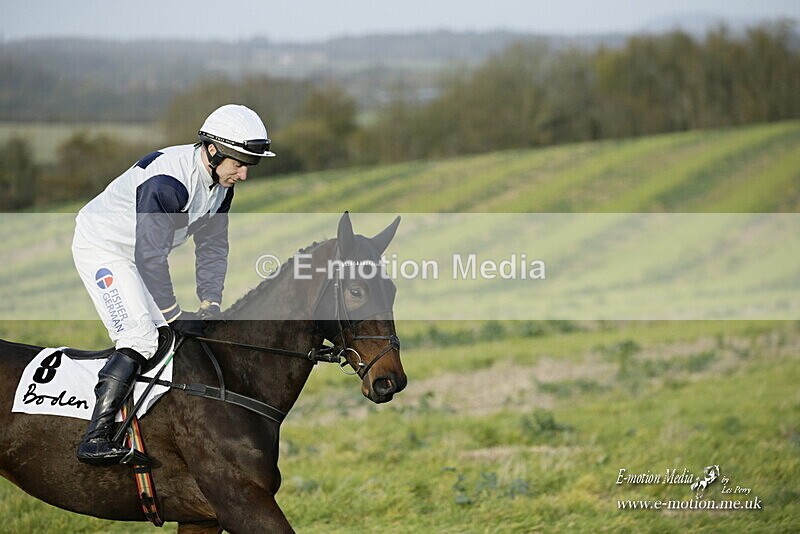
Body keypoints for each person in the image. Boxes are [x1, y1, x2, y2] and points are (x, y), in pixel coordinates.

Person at [72, 104, 275, 465]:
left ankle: (151, 425)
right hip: (103, 247)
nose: (244, 175)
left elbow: (213, 247)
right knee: (140, 337)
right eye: (239, 164)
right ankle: (95, 438)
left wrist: (210, 302)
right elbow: (150, 257)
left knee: (167, 337)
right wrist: (175, 313)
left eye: (250, 166)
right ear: (212, 150)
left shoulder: (220, 187)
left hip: (138, 252)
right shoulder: (168, 183)